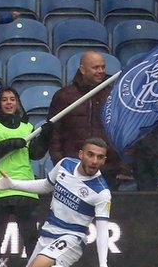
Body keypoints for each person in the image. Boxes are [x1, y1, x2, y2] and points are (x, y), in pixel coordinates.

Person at [0, 137, 114, 267]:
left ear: (104, 160)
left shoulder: (102, 192)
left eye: (100, 157)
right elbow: (45, 186)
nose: (94, 160)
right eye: (90, 155)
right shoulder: (64, 165)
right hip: (49, 231)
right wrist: (13, 184)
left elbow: (103, 229)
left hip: (72, 237)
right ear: (81, 154)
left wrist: (103, 263)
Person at [0, 86, 52, 267]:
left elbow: (35, 154)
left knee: (31, 238)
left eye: (12, 99)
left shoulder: (28, 129)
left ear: (17, 102)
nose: (9, 103)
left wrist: (45, 136)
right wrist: (10, 144)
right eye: (4, 100)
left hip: (25, 188)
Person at [47, 51, 130, 190]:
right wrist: (60, 163)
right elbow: (53, 134)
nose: (101, 71)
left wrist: (123, 167)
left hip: (108, 170)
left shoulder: (114, 96)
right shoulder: (64, 96)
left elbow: (125, 131)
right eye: (96, 67)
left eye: (103, 67)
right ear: (82, 69)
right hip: (73, 169)